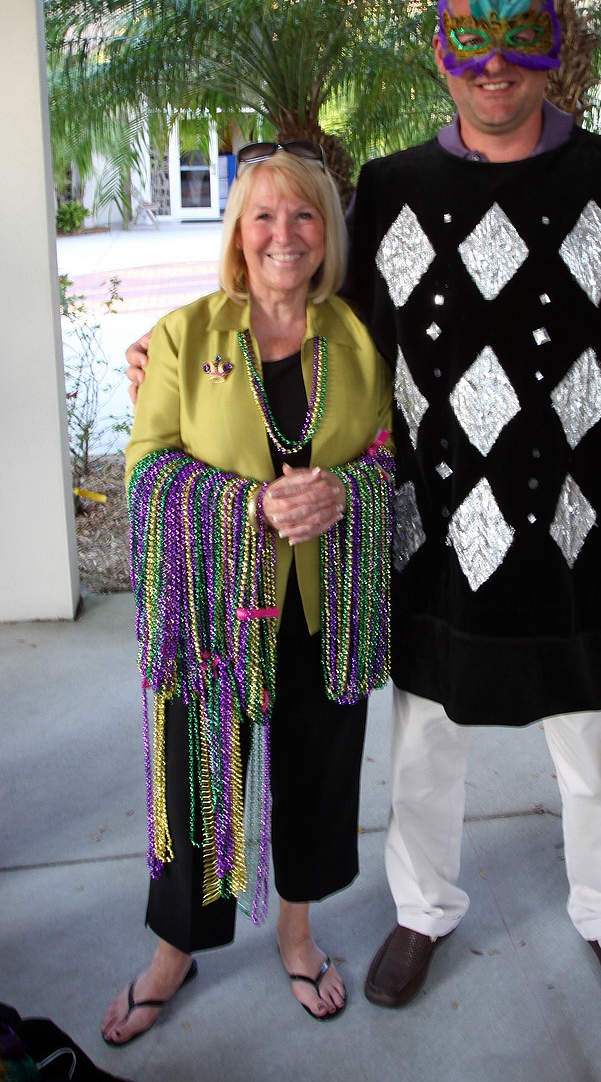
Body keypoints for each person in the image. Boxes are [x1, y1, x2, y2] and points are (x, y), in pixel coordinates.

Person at [125, 0, 601, 1025]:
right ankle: (423, 909)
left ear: (556, 50)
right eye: (470, 40)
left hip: (582, 505)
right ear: (440, 54)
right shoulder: (392, 189)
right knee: (426, 730)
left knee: (589, 731)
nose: (494, 66)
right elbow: (304, 308)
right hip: (428, 509)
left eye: (519, 40)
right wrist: (172, 348)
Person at [102, 144, 393, 1046]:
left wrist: (347, 493)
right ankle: (174, 950)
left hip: (323, 603)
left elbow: (389, 458)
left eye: (304, 215)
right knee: (196, 776)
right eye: (264, 216)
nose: (283, 234)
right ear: (238, 233)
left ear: (326, 233)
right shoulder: (188, 334)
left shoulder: (355, 335)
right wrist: (248, 506)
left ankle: (298, 937)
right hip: (208, 612)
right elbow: (147, 471)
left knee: (315, 768)